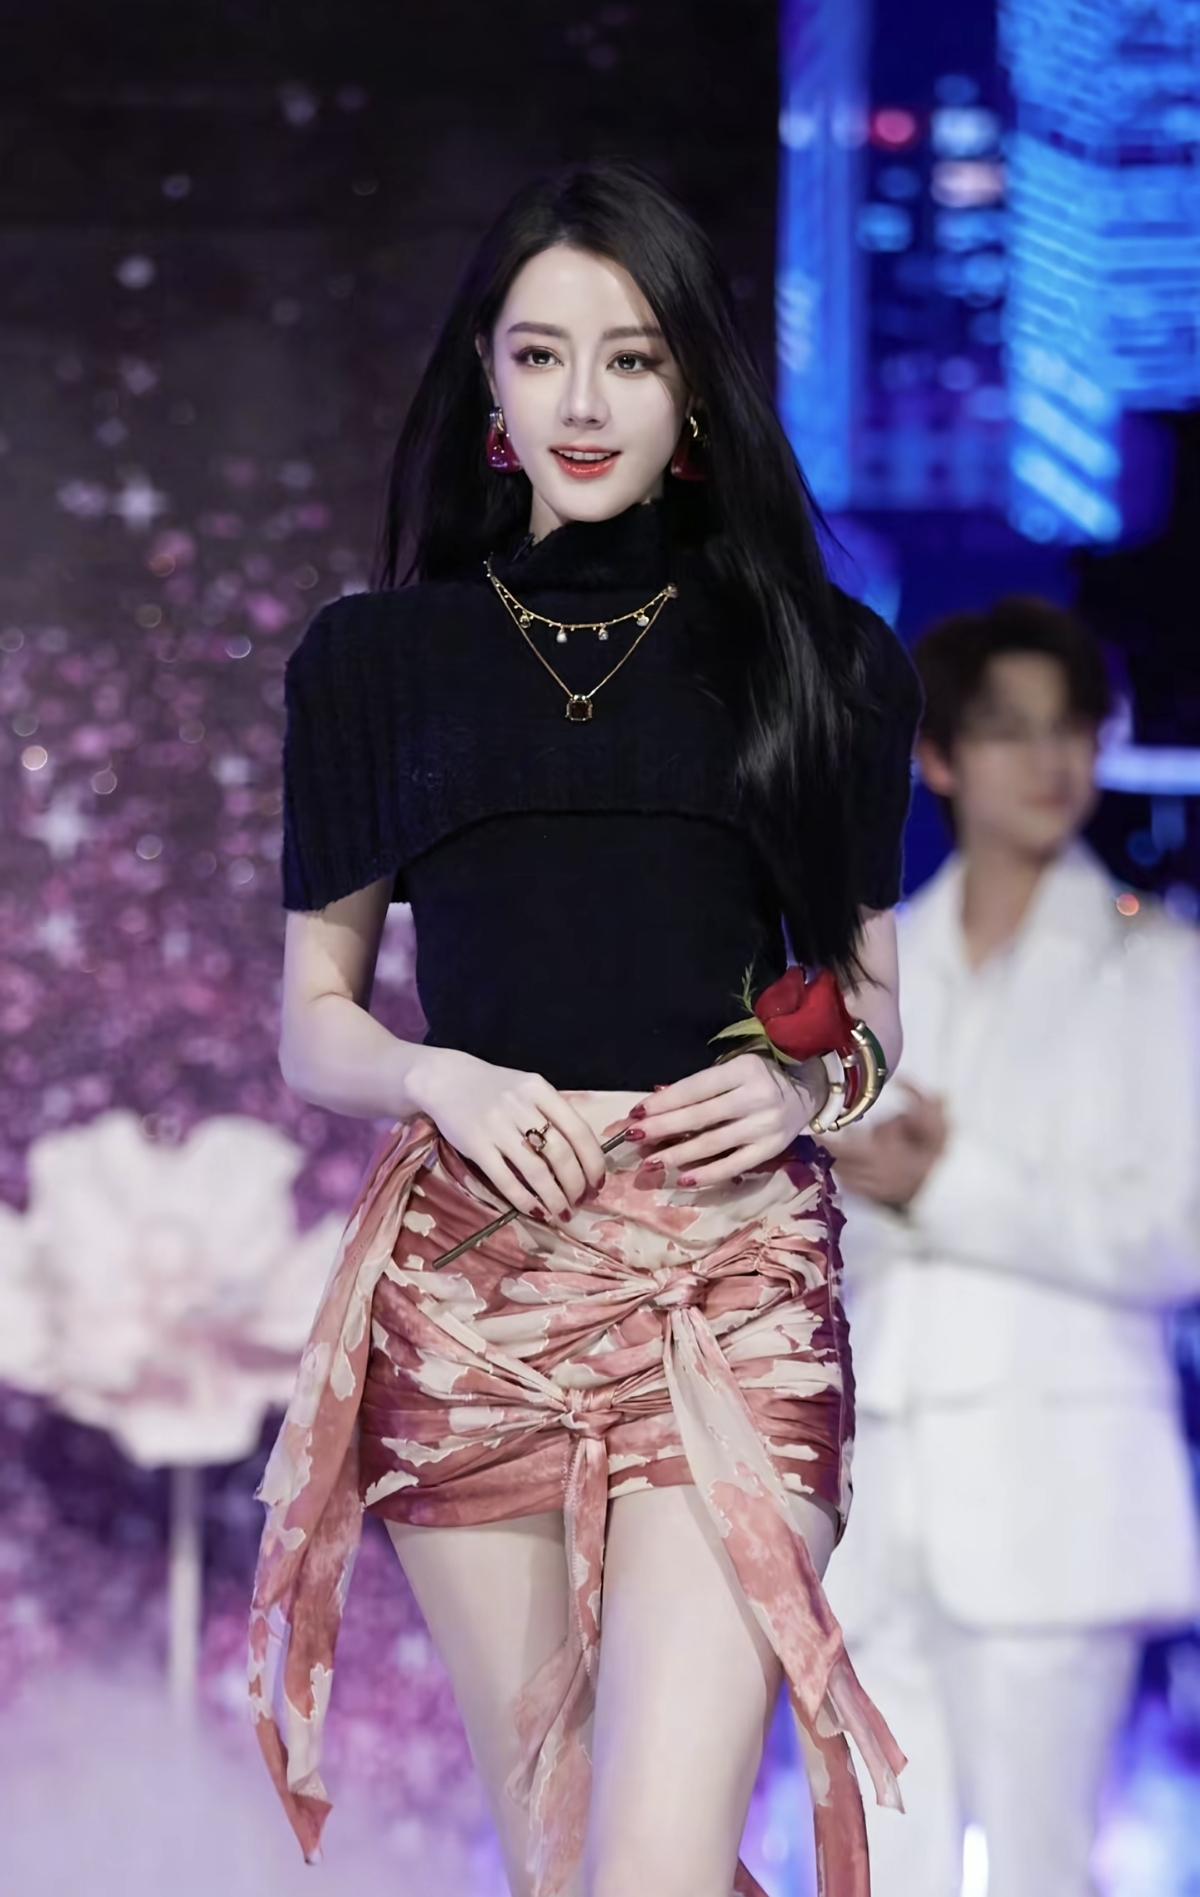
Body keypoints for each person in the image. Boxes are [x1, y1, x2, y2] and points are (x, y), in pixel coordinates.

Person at [247, 158, 922, 1897]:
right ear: (488, 379)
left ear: (692, 386)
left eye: (630, 357)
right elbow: (314, 1023)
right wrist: (439, 1075)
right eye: (541, 355)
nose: (583, 402)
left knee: (651, 1868)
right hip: (478, 1281)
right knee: (563, 1867)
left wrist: (800, 1084)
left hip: (725, 1275)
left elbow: (870, 1011)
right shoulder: (374, 663)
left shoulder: (821, 658)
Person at [823, 597, 1200, 1897]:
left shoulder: (1164, 971)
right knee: (881, 1872)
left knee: (1042, 1871)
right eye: (1007, 730)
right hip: (877, 1503)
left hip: (1059, 1501)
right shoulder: (876, 970)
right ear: (938, 758)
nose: (1048, 760)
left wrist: (949, 1182)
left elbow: (1179, 1236)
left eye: (1070, 729)